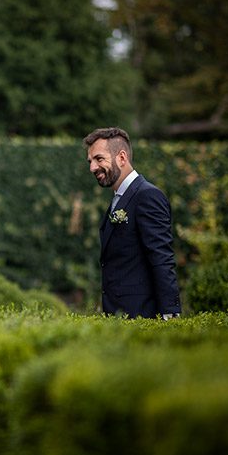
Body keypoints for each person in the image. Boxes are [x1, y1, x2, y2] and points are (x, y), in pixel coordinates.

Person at [83, 127, 181, 319]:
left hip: (142, 315)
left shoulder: (148, 196)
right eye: (90, 161)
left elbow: (161, 256)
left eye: (99, 159)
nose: (92, 168)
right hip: (119, 316)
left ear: (121, 157)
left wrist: (170, 311)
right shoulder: (118, 199)